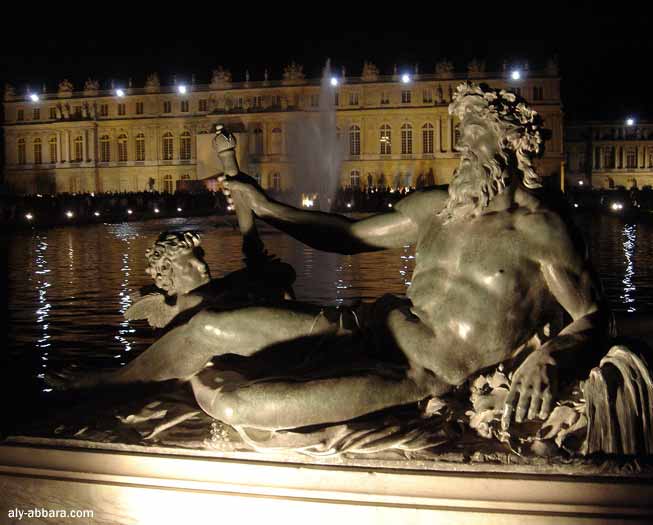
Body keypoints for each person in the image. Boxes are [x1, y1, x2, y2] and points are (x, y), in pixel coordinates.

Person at [70, 82, 608, 433]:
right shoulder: (438, 208)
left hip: (416, 370)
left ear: (512, 145)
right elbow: (347, 236)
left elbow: (592, 316)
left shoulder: (543, 230)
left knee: (237, 406)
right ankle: (103, 389)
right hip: (363, 326)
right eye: (460, 139)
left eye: (474, 140)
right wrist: (267, 207)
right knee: (208, 326)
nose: (461, 151)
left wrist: (549, 357)